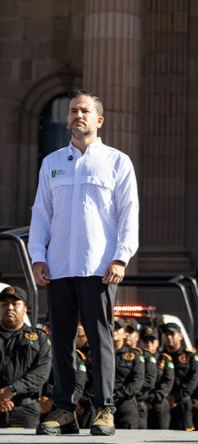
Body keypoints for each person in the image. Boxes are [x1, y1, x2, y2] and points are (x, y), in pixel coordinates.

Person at [30, 90, 140, 437]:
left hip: (99, 266)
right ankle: (64, 410)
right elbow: (41, 213)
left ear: (99, 120)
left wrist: (121, 257)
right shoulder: (52, 163)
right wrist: (37, 255)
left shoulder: (117, 162)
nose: (78, 115)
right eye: (73, 111)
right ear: (68, 120)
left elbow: (128, 213)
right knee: (61, 338)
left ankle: (103, 408)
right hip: (60, 264)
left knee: (99, 337)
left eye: (85, 111)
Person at [0, 286, 52, 429]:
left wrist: (11, 390)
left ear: (25, 309)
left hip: (25, 411)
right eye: (4, 304)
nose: (9, 308)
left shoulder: (39, 337)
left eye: (15, 304)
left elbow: (42, 372)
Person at [163, 322, 198, 431]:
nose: (169, 337)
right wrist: (165, 398)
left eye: (172, 334)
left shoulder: (190, 357)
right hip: (163, 402)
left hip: (182, 402)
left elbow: (192, 381)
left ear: (180, 336)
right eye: (166, 334)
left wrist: (175, 397)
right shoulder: (160, 356)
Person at [111, 317, 144, 429]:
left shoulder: (134, 355)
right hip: (103, 405)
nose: (113, 331)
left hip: (124, 403)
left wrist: (118, 395)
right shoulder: (101, 354)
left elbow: (137, 381)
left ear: (125, 334)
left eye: (117, 329)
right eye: (112, 327)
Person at [138, 326, 174, 429]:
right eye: (145, 340)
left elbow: (168, 382)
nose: (149, 344)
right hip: (140, 400)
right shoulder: (136, 358)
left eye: (152, 340)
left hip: (158, 400)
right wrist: (143, 398)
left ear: (158, 343)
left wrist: (152, 399)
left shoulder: (164, 359)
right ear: (140, 343)